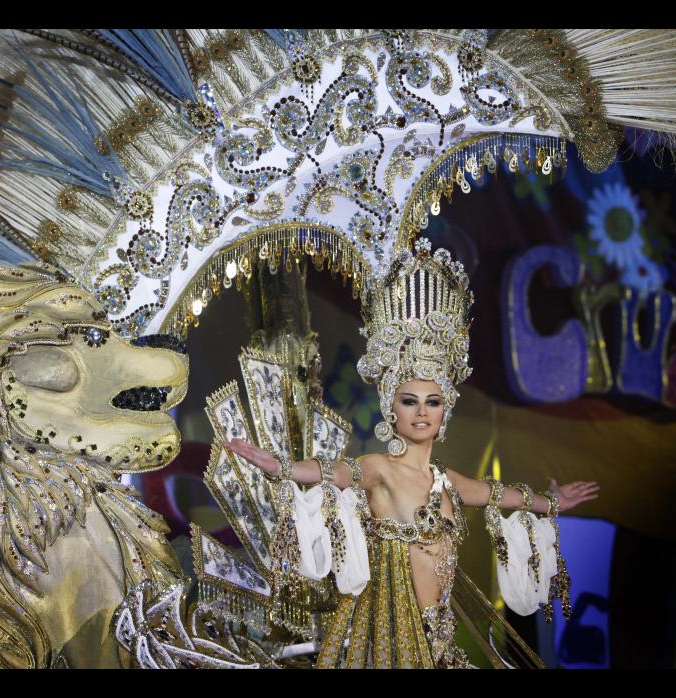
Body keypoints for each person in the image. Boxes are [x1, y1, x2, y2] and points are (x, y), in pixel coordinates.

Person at [225, 237, 600, 668]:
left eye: (433, 401)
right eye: (409, 401)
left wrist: (552, 501)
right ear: (392, 409)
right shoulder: (378, 469)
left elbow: (500, 495)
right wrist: (284, 467)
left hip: (439, 641)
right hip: (387, 640)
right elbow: (333, 473)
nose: (422, 412)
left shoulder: (448, 481)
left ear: (445, 411)